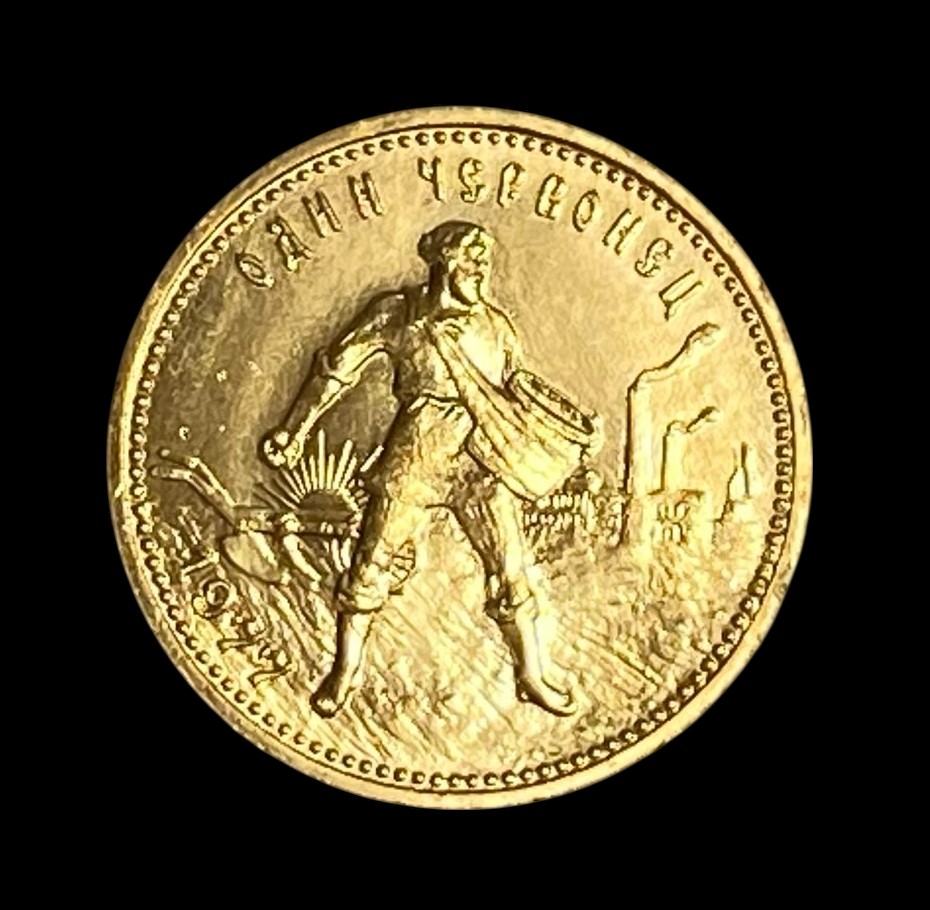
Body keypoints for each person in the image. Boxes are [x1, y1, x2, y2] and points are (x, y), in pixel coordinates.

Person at [261, 221, 580, 718]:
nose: (481, 269)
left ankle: (531, 674)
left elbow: (521, 396)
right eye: (471, 257)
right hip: (414, 455)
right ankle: (345, 670)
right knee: (370, 562)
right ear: (442, 260)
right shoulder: (396, 312)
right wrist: (294, 429)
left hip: (481, 459)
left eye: (484, 259)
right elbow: (336, 371)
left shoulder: (497, 326)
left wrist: (564, 433)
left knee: (510, 570)